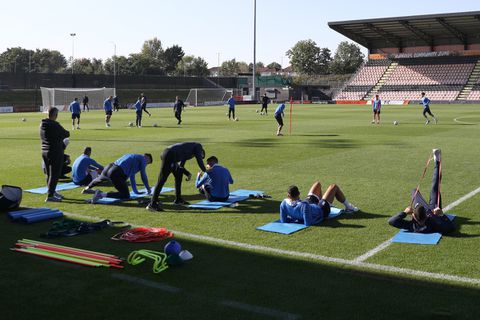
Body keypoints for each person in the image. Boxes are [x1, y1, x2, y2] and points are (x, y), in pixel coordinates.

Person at [388, 149, 455, 234]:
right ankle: (437, 161)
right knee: (434, 188)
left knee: (414, 191)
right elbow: (451, 228)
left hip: (430, 211)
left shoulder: (412, 226)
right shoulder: (434, 222)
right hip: (433, 210)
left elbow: (391, 221)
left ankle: (437, 161)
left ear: (413, 216)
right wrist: (441, 214)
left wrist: (404, 212)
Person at [146, 142, 207, 211]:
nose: (199, 156)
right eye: (201, 155)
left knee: (179, 175)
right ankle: (152, 204)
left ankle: (178, 199)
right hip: (169, 154)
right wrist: (206, 172)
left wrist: (187, 173)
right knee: (161, 179)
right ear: (201, 151)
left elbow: (181, 165)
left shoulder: (189, 149)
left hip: (171, 155)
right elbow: (199, 161)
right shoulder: (198, 146)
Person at [280, 181, 359, 226]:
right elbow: (308, 223)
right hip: (321, 210)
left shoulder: (283, 203)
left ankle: (323, 200)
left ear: (288, 195)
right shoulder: (304, 205)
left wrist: (295, 218)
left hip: (310, 204)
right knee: (333, 186)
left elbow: (283, 220)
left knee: (317, 184)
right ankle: (349, 207)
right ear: (299, 193)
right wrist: (321, 218)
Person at [83, 153, 152, 203]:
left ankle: (87, 189)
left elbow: (132, 177)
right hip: (116, 172)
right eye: (148, 162)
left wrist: (135, 191)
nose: (146, 164)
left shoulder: (133, 156)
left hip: (109, 166)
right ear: (146, 157)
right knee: (125, 195)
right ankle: (100, 194)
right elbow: (143, 175)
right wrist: (148, 188)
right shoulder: (143, 159)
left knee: (100, 178)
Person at [39, 107, 70, 202]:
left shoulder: (42, 124)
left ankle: (52, 191)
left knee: (49, 174)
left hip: (44, 151)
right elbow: (66, 133)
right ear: (55, 115)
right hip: (55, 152)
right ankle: (50, 195)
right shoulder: (54, 125)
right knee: (55, 174)